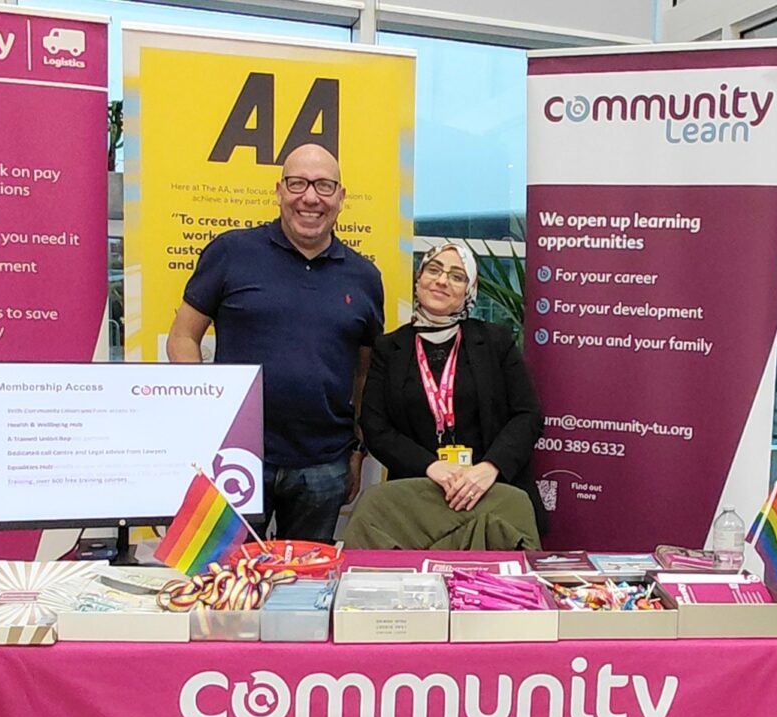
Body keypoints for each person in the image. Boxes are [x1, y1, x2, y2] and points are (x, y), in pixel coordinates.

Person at [166, 143, 384, 542]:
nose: (310, 197)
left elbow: (365, 374)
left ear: (340, 197)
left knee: (305, 592)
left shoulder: (364, 277)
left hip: (324, 465)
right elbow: (183, 337)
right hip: (234, 459)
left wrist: (357, 451)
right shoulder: (232, 252)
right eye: (298, 183)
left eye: (323, 185)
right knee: (221, 585)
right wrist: (201, 417)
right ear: (280, 190)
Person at [345, 242, 544, 550]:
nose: (441, 281)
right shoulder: (389, 348)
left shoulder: (495, 342)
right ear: (418, 278)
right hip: (415, 501)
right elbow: (375, 426)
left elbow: (527, 415)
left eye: (456, 276)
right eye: (434, 270)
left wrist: (489, 468)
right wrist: (430, 466)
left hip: (491, 494)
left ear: (469, 290)